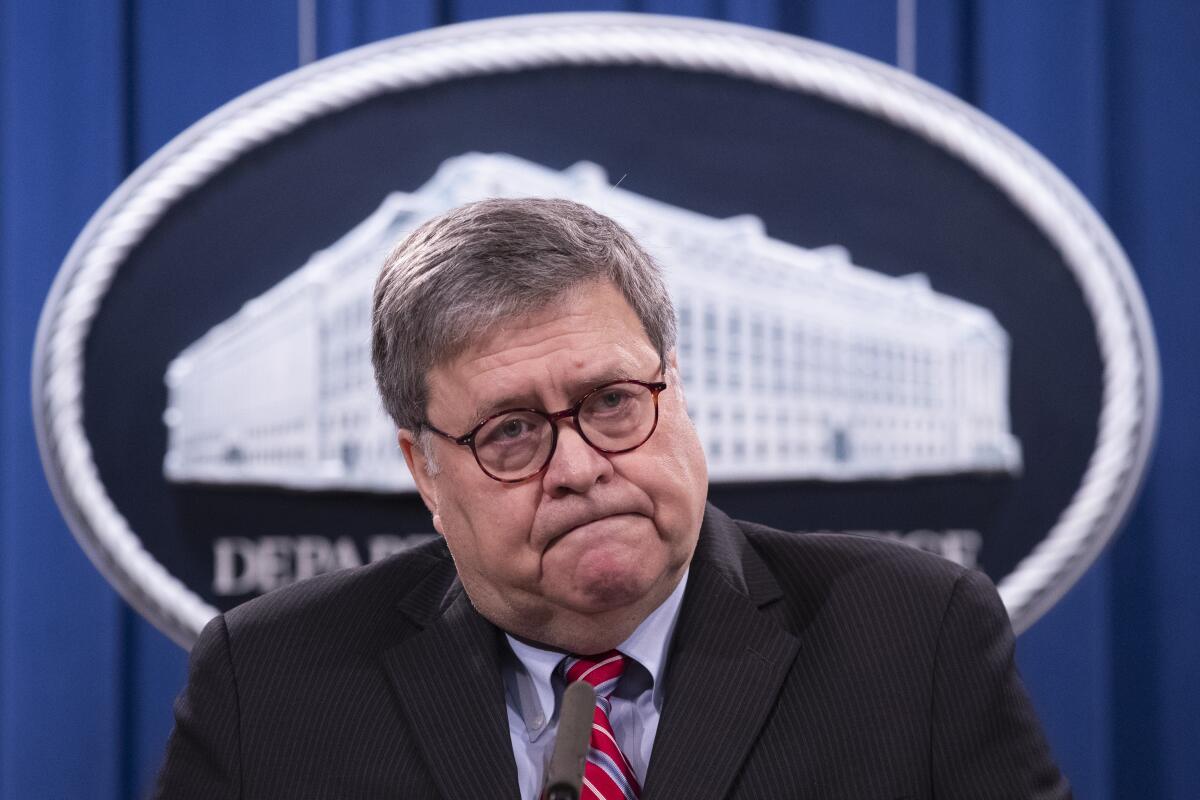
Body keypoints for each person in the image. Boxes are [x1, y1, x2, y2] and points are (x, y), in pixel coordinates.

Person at [155, 198, 1070, 799]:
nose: (581, 465)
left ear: (674, 386)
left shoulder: (913, 636)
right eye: (511, 429)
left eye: (612, 403)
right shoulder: (269, 681)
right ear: (424, 469)